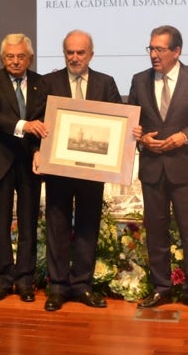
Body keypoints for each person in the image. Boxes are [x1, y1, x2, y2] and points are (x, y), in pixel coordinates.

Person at [128, 25, 188, 315]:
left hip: (186, 168)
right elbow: (133, 123)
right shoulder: (139, 80)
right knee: (156, 231)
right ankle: (161, 288)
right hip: (153, 168)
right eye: (150, 49)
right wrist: (142, 138)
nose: (153, 55)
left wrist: (184, 136)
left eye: (159, 49)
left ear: (176, 51)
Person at [33, 30, 123, 311]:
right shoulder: (49, 82)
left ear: (91, 54)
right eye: (70, 52)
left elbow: (119, 119)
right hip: (58, 169)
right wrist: (38, 150)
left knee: (87, 227)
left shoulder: (105, 83)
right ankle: (58, 287)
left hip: (93, 171)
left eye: (80, 52)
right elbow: (37, 120)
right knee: (57, 227)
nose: (75, 57)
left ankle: (83, 285)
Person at [0, 33, 47, 303]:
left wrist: (40, 149)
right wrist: (24, 126)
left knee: (28, 224)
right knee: (0, 225)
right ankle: (3, 280)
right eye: (9, 56)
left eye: (20, 57)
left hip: (31, 163)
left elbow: (46, 120)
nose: (15, 61)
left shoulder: (43, 83)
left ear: (30, 58)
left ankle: (25, 280)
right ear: (2, 58)